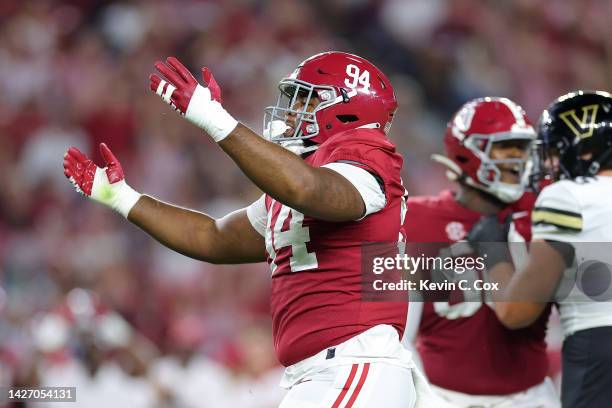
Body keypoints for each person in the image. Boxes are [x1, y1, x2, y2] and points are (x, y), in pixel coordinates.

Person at [63, 52, 425, 407]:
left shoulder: (365, 153)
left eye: (306, 100)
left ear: (346, 108)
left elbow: (308, 189)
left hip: (355, 364)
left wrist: (214, 119)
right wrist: (121, 198)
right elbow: (213, 238)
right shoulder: (298, 179)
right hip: (322, 374)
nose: (293, 111)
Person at [402, 97, 559, 407]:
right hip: (446, 397)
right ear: (466, 151)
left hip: (532, 398)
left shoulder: (543, 213)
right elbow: (397, 335)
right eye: (506, 147)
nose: (518, 158)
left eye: (523, 147)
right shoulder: (417, 220)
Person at [467, 90, 612, 408]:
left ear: (585, 150)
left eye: (554, 153)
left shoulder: (567, 196)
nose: (549, 164)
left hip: (600, 349)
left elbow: (516, 310)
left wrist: (492, 249)